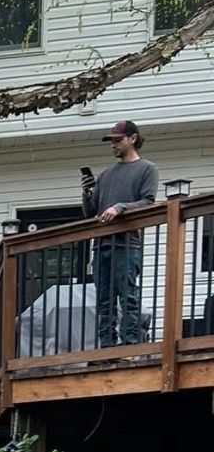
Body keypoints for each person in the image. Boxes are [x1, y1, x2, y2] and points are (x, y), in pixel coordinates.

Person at [82, 121, 158, 348]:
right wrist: (87, 192)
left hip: (128, 245)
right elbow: (91, 213)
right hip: (101, 246)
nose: (112, 145)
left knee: (128, 298)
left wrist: (120, 207)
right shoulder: (105, 176)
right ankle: (106, 347)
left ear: (132, 139)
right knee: (104, 302)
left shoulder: (147, 169)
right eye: (111, 141)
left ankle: (129, 344)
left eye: (117, 140)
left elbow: (148, 202)